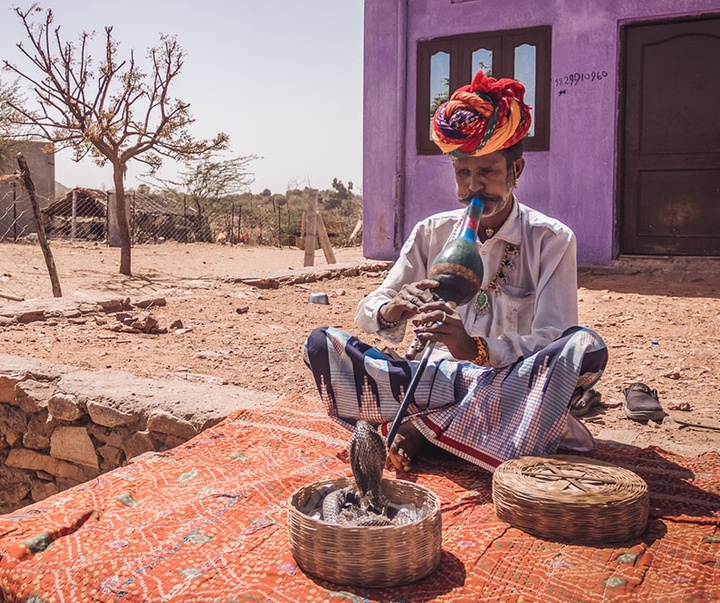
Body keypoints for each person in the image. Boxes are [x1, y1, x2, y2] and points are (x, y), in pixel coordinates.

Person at [304, 69, 607, 473]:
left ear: (516, 171)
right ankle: (463, 432)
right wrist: (394, 308)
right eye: (463, 173)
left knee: (583, 349)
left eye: (487, 173)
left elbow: (554, 337)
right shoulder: (433, 232)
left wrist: (475, 349)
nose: (473, 187)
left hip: (504, 381)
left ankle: (421, 431)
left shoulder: (552, 240)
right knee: (323, 345)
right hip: (436, 381)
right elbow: (370, 307)